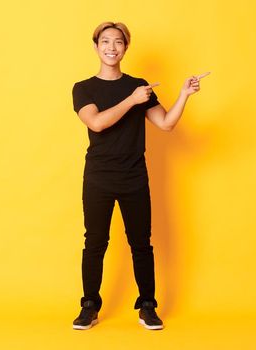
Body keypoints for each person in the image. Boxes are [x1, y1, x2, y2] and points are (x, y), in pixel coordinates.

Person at [70, 21, 210, 330]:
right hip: (98, 177)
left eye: (118, 42)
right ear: (96, 47)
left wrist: (184, 95)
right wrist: (132, 100)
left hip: (134, 177)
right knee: (95, 242)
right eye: (105, 41)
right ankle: (89, 305)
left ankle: (147, 305)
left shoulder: (138, 84)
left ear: (125, 48)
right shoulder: (84, 88)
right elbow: (96, 123)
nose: (111, 47)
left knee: (141, 243)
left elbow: (166, 124)